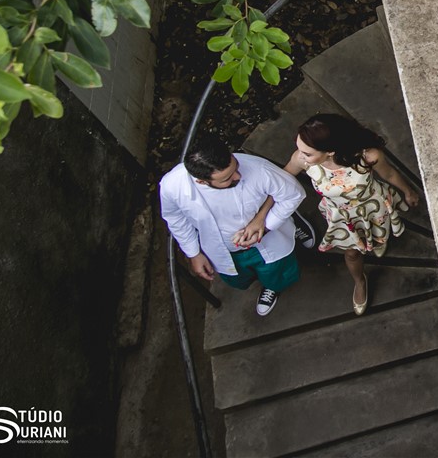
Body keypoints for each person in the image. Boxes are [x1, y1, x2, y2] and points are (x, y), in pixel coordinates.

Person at [160, 137, 316, 316]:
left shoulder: (258, 169)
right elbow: (175, 218)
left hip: (269, 240)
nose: (238, 176)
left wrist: (265, 226)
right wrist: (193, 253)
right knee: (239, 276)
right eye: (227, 179)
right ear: (202, 181)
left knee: (276, 271)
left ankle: (273, 286)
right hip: (223, 249)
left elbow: (292, 195)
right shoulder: (172, 186)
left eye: (235, 167)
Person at [284, 114, 420, 316]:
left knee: (379, 232)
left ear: (330, 151)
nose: (301, 155)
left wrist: (408, 191)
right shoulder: (302, 161)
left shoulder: (367, 156)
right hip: (342, 217)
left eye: (308, 152)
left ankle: (377, 242)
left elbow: (389, 174)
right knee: (352, 253)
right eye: (300, 147)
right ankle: (359, 281)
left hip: (372, 206)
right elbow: (282, 180)